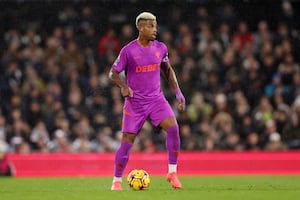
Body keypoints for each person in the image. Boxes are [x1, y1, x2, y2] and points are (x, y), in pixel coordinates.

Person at [108, 12, 186, 190]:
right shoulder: (128, 50)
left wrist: (178, 92)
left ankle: (172, 172)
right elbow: (112, 73)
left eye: (155, 26)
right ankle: (116, 181)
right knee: (127, 141)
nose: (155, 29)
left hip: (156, 99)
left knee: (173, 128)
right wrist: (123, 86)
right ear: (140, 27)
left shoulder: (161, 48)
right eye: (151, 26)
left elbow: (167, 70)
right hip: (135, 103)